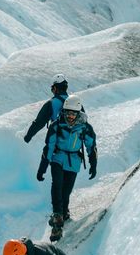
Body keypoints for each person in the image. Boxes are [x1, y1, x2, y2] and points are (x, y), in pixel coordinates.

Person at [37, 95, 97, 241]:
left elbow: (91, 146)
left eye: (73, 113)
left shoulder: (84, 128)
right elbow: (49, 147)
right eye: (67, 113)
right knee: (57, 185)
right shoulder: (56, 126)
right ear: (63, 112)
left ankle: (63, 213)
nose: (70, 116)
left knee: (66, 191)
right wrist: (42, 168)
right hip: (57, 159)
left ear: (78, 113)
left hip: (73, 162)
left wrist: (93, 164)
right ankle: (57, 220)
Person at [24, 74, 69, 143]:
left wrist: (28, 136)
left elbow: (39, 122)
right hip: (74, 144)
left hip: (57, 141)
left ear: (55, 88)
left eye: (52, 88)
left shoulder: (51, 103)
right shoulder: (75, 102)